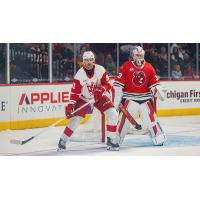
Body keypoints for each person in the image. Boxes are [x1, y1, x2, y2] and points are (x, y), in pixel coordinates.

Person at [57, 51, 120, 151]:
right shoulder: (79, 75)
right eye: (86, 60)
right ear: (83, 62)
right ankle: (63, 140)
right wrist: (71, 105)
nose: (89, 63)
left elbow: (108, 84)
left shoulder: (100, 70)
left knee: (113, 114)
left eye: (91, 60)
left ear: (94, 61)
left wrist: (102, 89)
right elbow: (74, 92)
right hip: (83, 98)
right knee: (76, 119)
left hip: (98, 97)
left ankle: (111, 139)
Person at [113, 46, 167, 145]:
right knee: (123, 122)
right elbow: (118, 85)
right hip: (129, 99)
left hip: (145, 99)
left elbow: (154, 83)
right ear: (133, 56)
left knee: (152, 119)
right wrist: (116, 103)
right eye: (137, 55)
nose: (139, 57)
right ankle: (115, 140)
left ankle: (158, 138)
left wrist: (158, 89)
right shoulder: (126, 66)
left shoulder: (149, 67)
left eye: (141, 55)